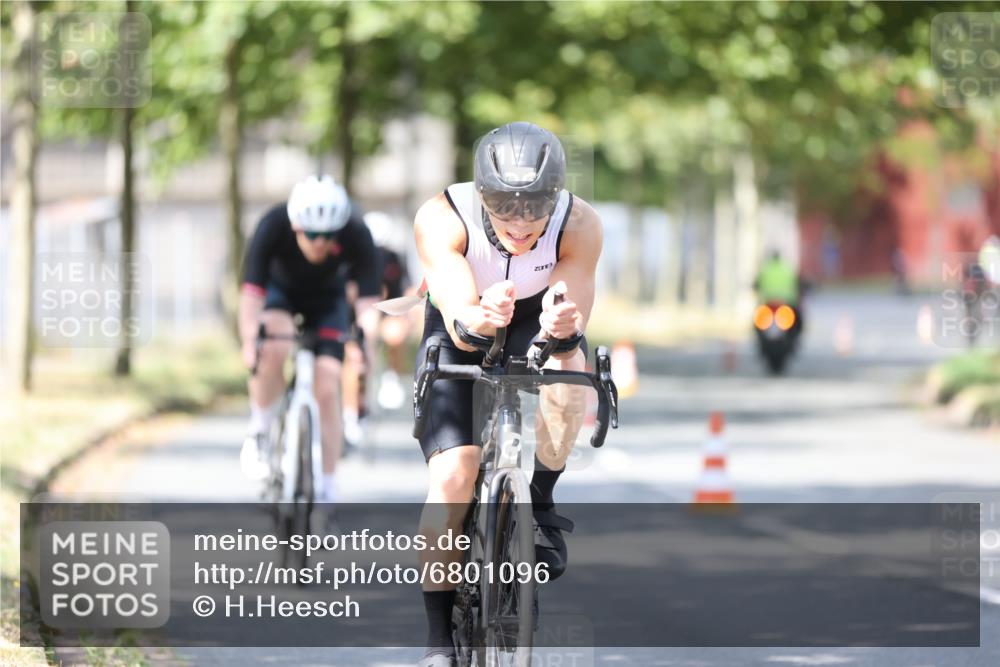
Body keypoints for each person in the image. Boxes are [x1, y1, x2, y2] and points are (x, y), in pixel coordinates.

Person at [412, 122, 603, 666]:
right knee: (454, 475)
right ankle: (436, 642)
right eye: (503, 206)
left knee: (570, 371)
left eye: (535, 207)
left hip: (535, 314)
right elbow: (457, 314)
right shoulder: (442, 216)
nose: (520, 223)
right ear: (481, 194)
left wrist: (563, 325)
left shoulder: (580, 223)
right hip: (464, 312)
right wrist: (476, 318)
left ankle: (538, 497)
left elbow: (572, 309)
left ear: (557, 195)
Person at [238, 174, 380, 505]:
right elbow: (251, 295)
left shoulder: (357, 231)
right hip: (280, 293)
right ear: (296, 226)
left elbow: (367, 304)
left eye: (327, 236)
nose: (319, 243)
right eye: (312, 235)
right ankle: (260, 428)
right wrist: (249, 342)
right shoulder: (272, 225)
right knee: (273, 344)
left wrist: (363, 349)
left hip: (328, 300)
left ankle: (328, 488)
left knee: (328, 387)